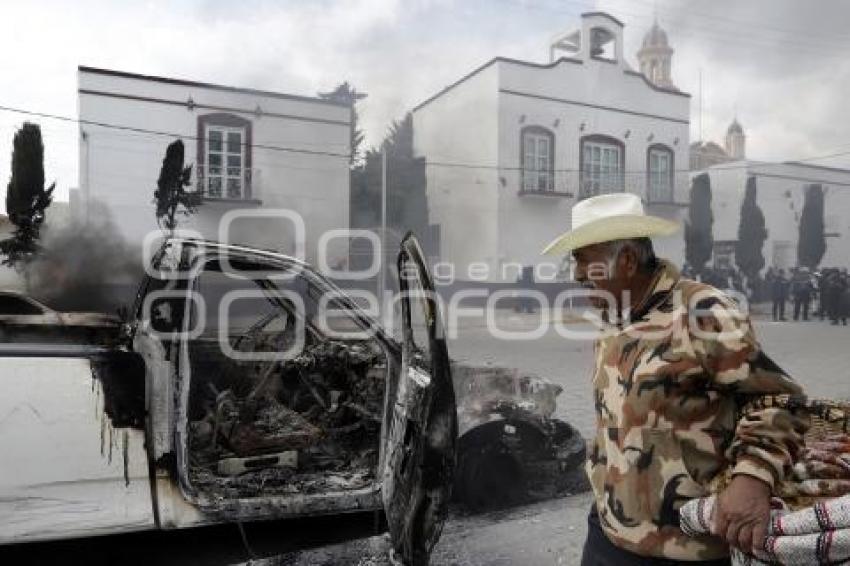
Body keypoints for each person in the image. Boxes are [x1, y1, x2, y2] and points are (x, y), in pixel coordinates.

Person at [540, 193, 808, 565]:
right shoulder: (617, 315)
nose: (577, 274)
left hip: (684, 545)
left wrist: (754, 477)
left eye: (585, 261)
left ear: (628, 260)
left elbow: (781, 400)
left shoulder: (704, 312)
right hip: (606, 529)